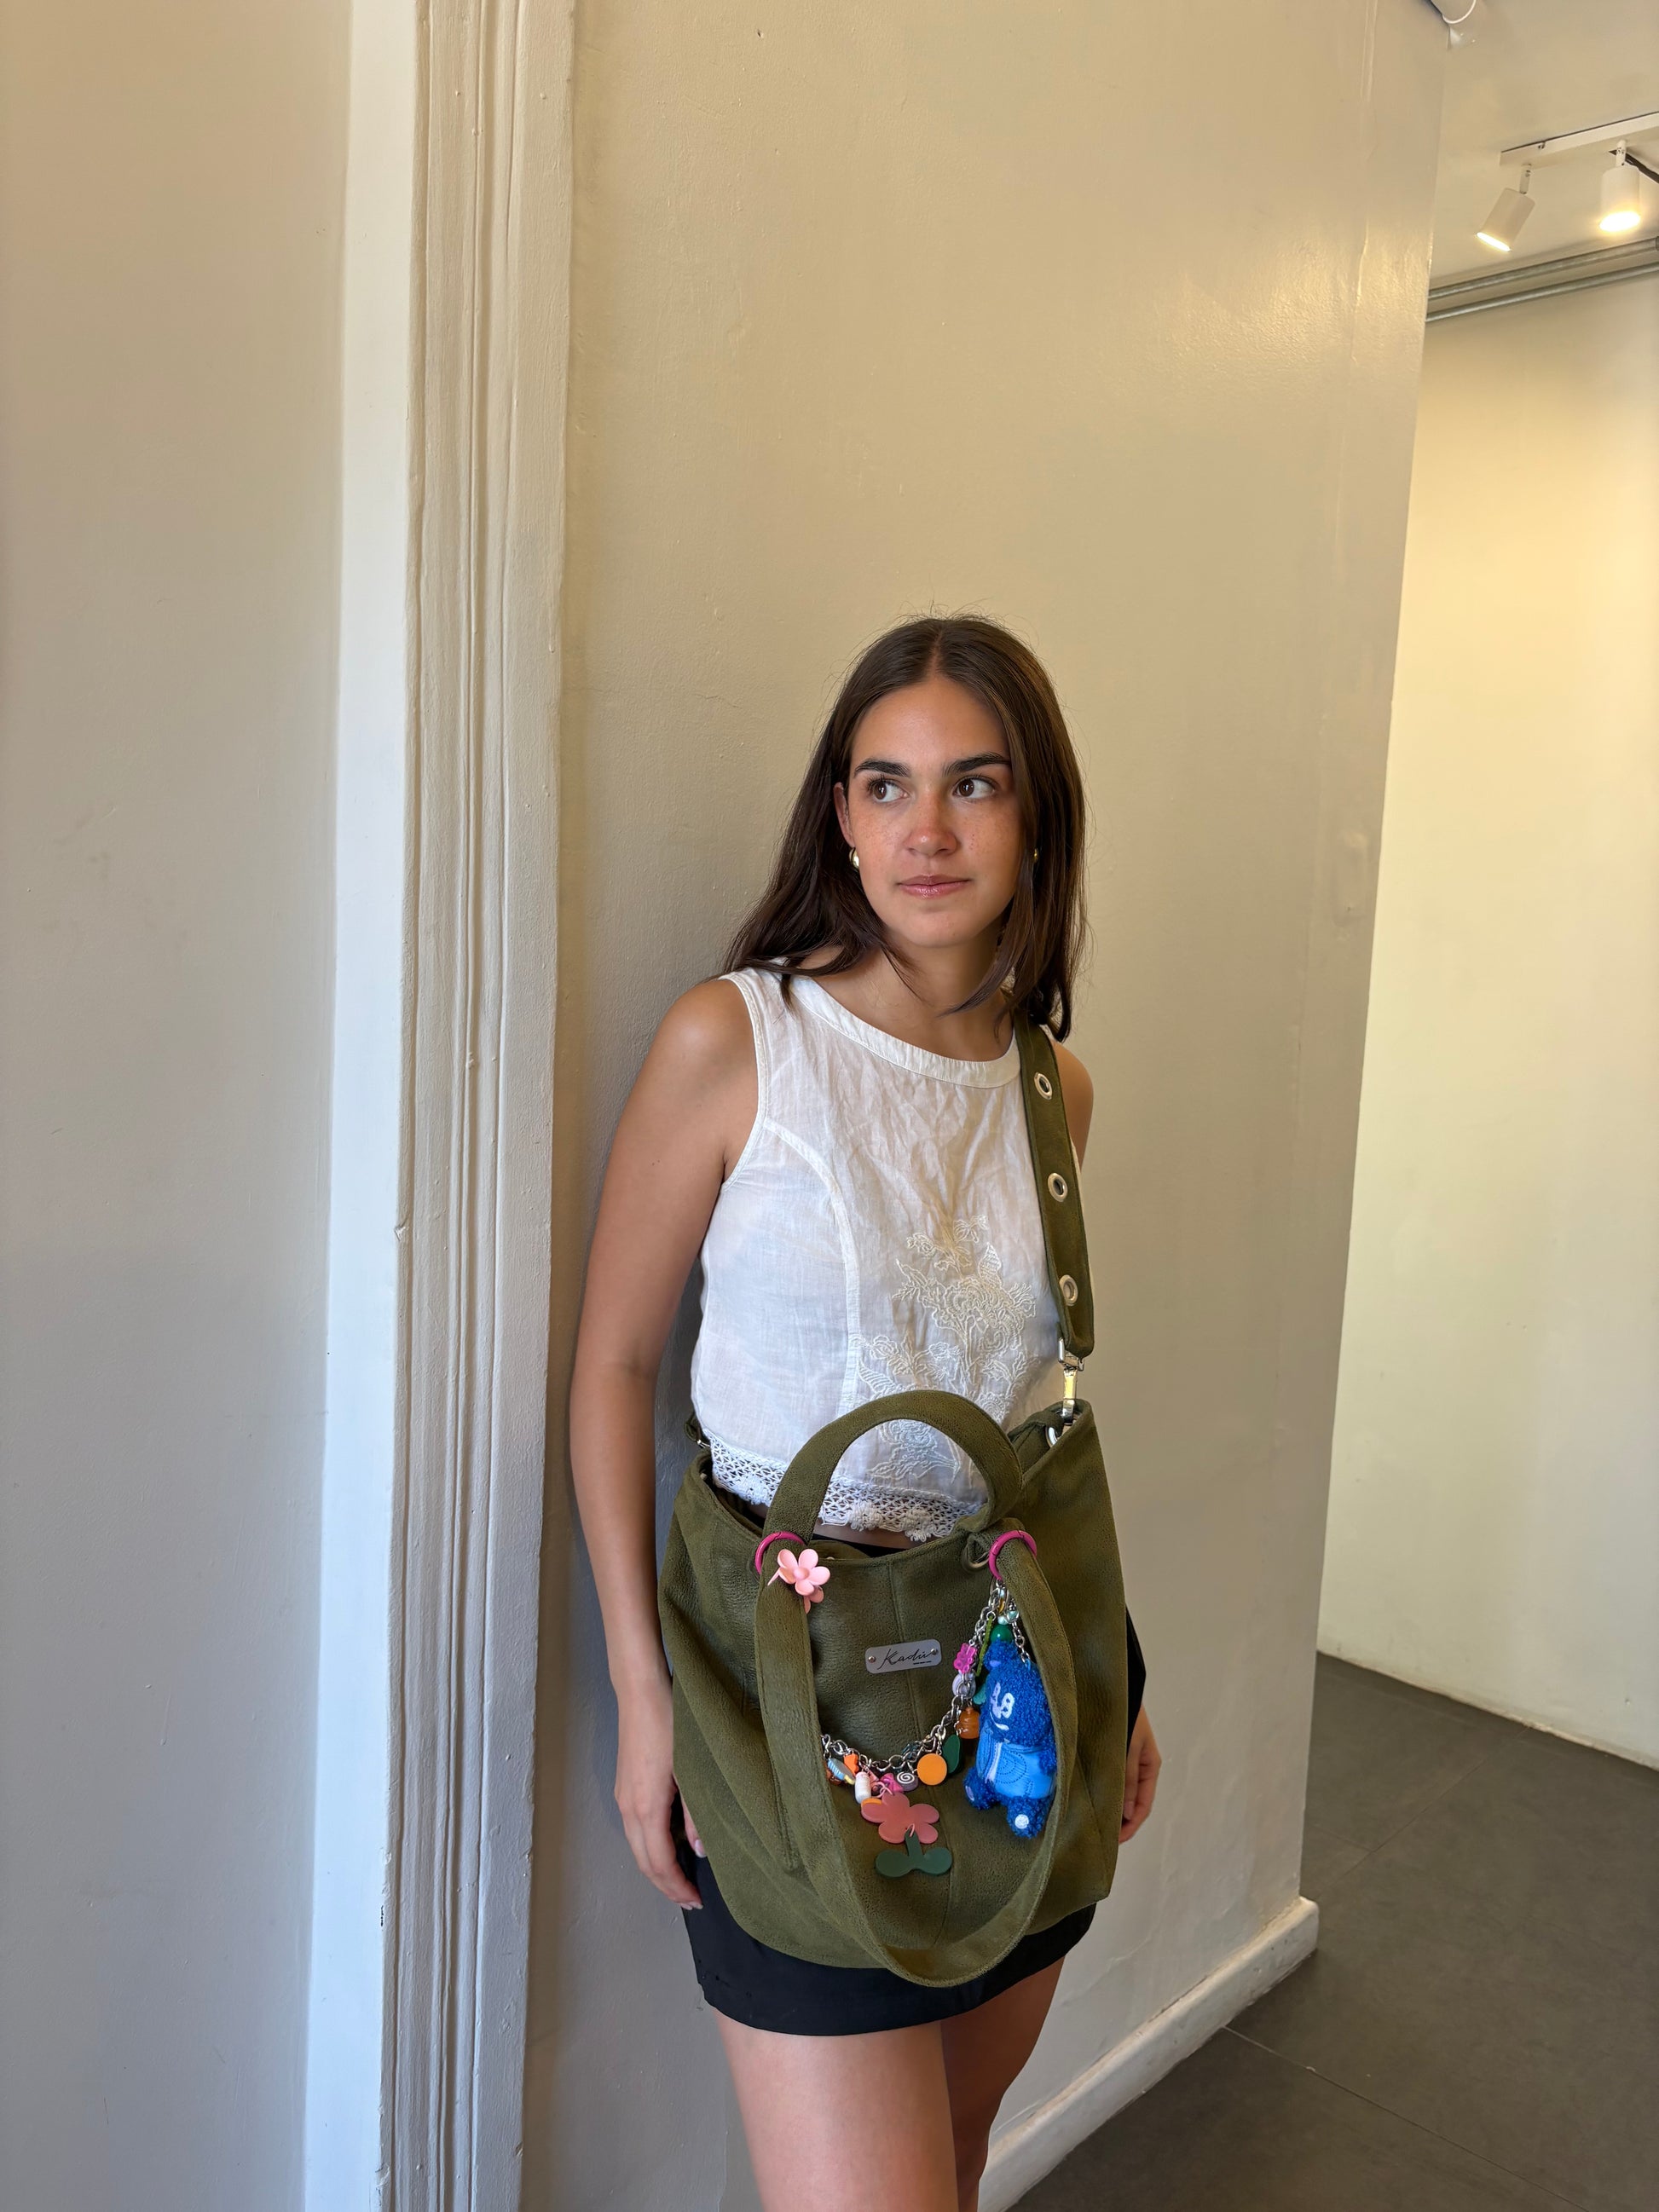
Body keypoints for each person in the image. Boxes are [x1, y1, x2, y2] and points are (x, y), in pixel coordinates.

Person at [569, 615, 1160, 2212]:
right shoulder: (736, 1038)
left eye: (975, 783)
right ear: (837, 813)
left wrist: (1107, 1669)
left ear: (1034, 816)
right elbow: (614, 1369)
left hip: (1011, 1694)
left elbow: (1023, 1405)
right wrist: (641, 1695)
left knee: (950, 2167)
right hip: (778, 1694)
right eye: (885, 784)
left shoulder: (1052, 1088)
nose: (927, 829)